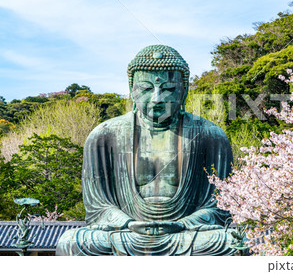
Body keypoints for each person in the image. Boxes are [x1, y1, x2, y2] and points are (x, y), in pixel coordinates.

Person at [56, 45, 235, 255]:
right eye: (146, 88)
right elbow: (98, 208)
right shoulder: (104, 135)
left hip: (186, 234)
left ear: (184, 90)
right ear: (132, 90)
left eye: (168, 89)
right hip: (127, 234)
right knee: (71, 242)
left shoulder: (209, 134)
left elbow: (220, 207)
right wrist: (128, 223)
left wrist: (183, 223)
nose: (157, 98)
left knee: (232, 242)